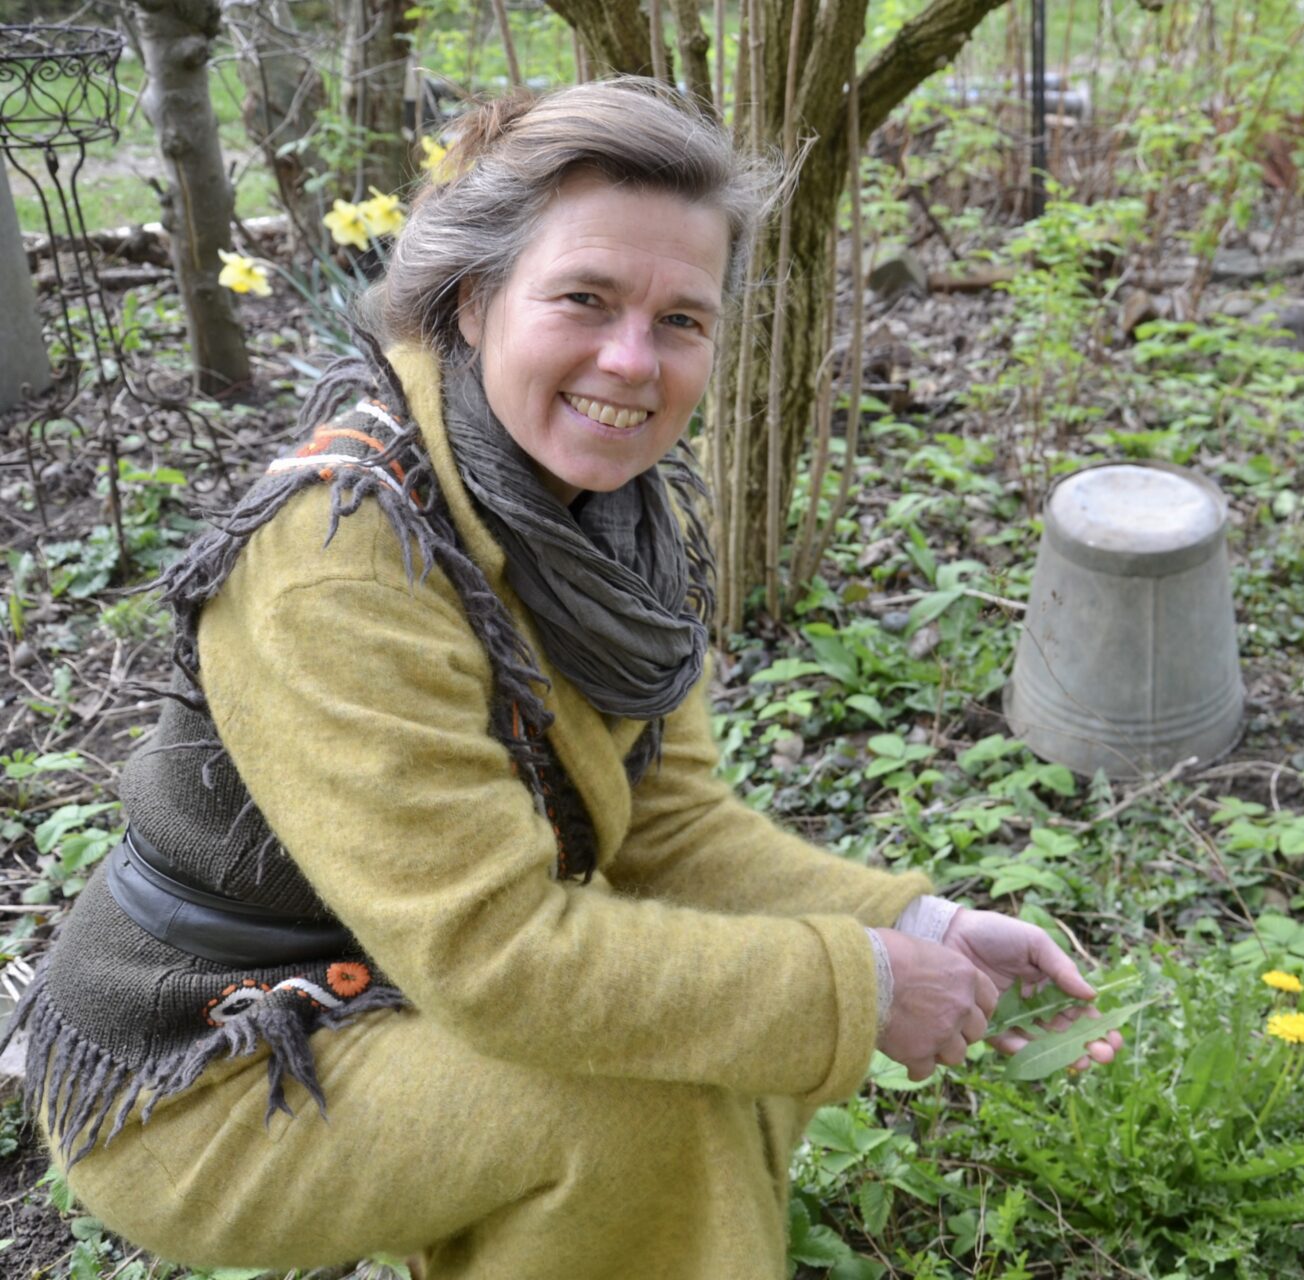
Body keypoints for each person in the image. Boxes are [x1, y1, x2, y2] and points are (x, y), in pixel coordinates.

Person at [3, 78, 1120, 1278]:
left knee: (725, 1037)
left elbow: (672, 827)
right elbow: (496, 953)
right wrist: (863, 980)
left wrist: (914, 923)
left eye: (682, 319)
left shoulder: (605, 525)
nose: (632, 360)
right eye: (584, 298)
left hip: (384, 978)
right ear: (475, 301)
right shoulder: (340, 562)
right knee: (642, 1110)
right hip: (206, 1058)